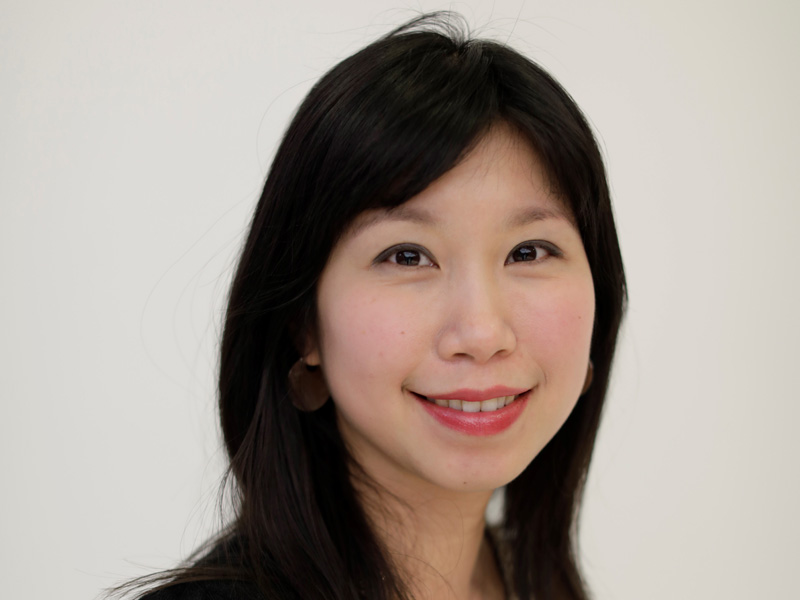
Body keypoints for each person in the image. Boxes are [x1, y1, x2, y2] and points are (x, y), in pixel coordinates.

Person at [117, 11, 626, 600]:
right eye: (407, 256)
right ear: (304, 323)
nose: (483, 332)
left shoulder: (532, 584)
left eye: (529, 251)